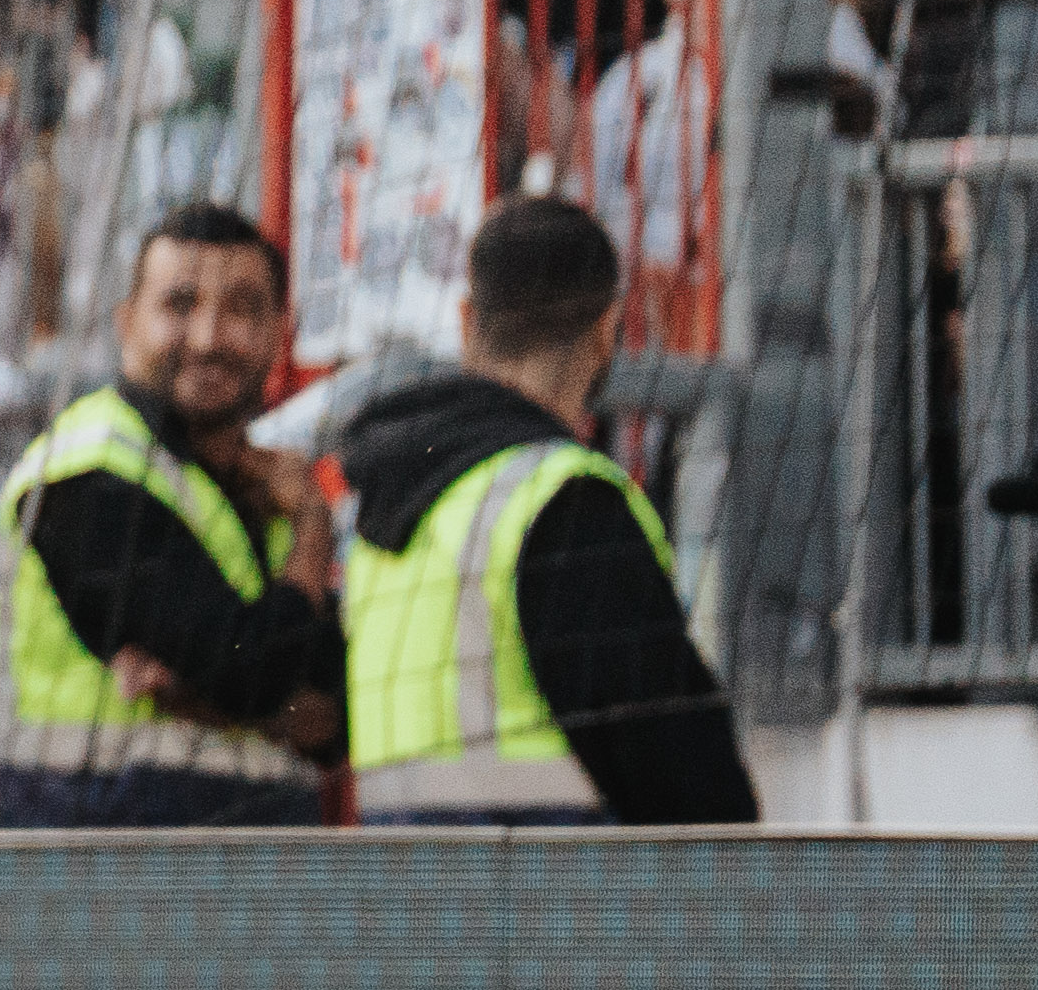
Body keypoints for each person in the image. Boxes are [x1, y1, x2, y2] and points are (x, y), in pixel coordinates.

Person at [323, 196, 754, 821]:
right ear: (608, 330)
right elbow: (675, 764)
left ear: (468, 321)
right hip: (555, 905)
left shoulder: (378, 516)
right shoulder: (562, 499)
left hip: (408, 906)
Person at [0, 207, 342, 826]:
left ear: (279, 333)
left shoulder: (266, 493)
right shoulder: (89, 470)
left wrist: (206, 698)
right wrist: (313, 535)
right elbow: (253, 674)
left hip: (257, 879)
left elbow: (337, 715)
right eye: (179, 305)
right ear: (126, 325)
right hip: (95, 878)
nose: (208, 337)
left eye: (242, 309)